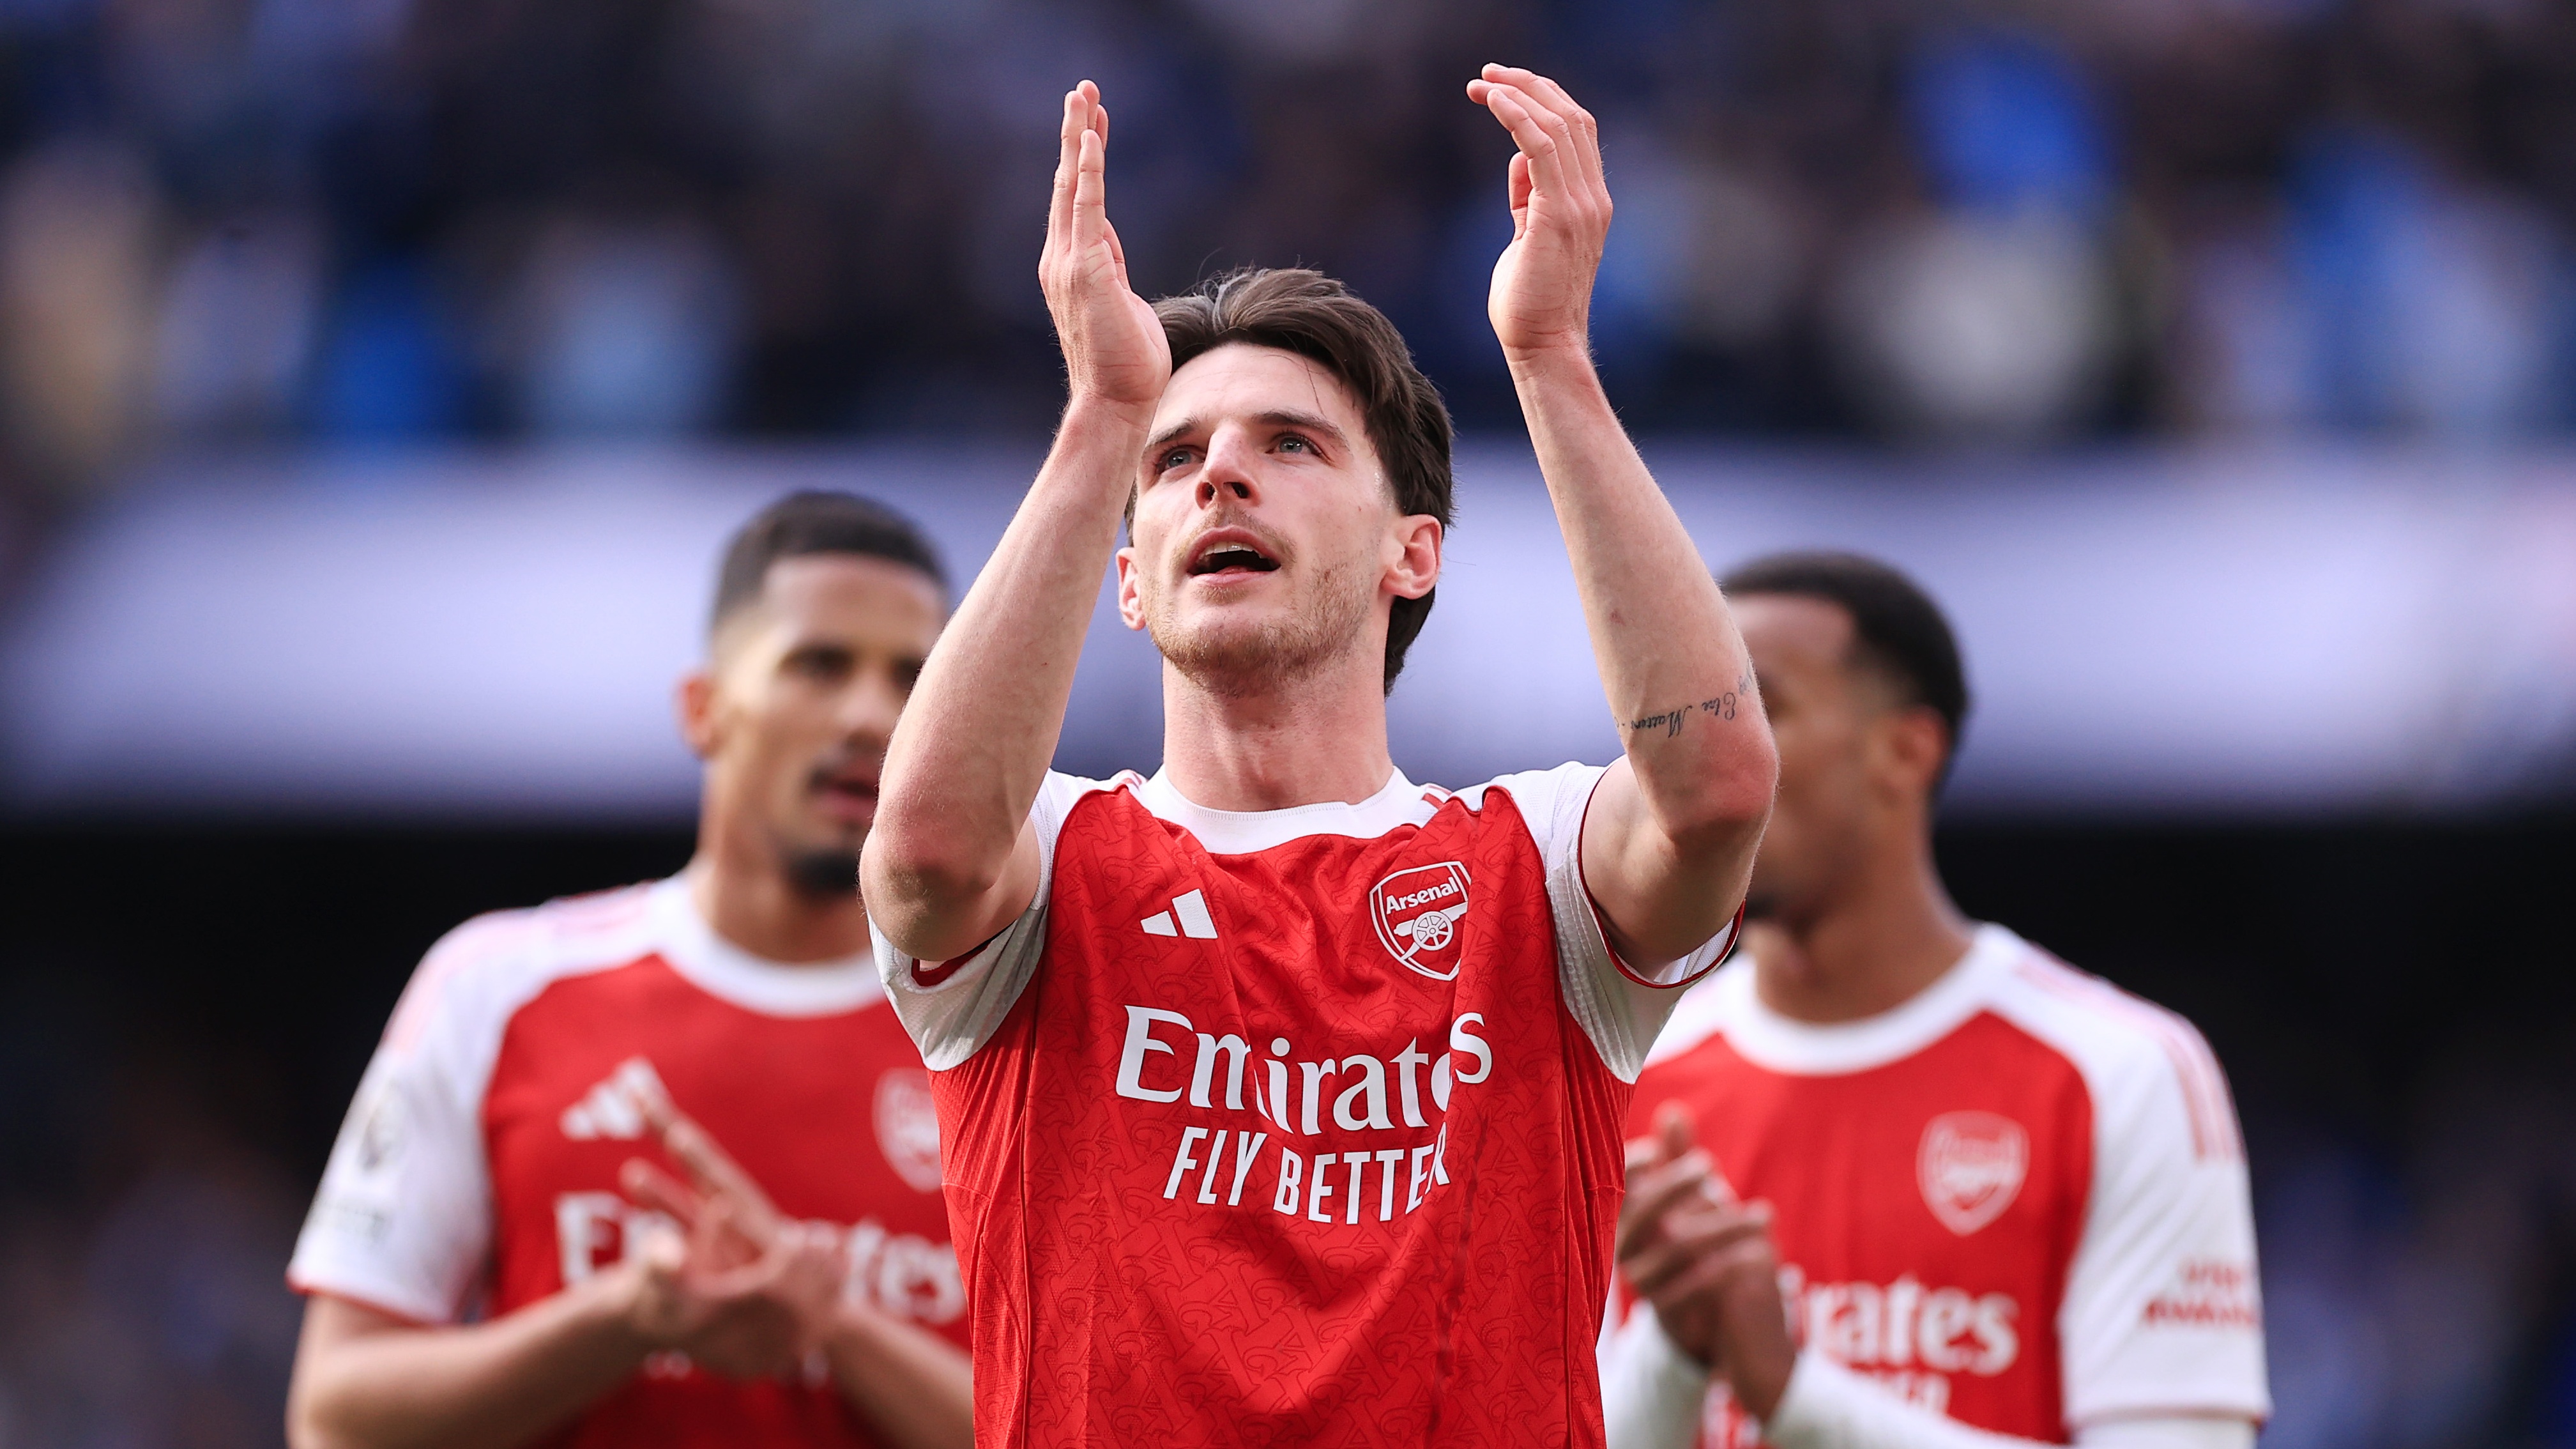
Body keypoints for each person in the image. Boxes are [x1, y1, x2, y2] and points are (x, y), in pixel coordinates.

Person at [858, 66, 1778, 1446]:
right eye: (1175, 464)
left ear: (1415, 553)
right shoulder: (1047, 864)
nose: (1219, 474)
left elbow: (1712, 793)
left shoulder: (1532, 868)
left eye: (1290, 444)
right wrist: (1104, 413)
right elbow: (922, 855)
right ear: (1129, 583)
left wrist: (1552, 362)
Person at [284, 491, 975, 1449]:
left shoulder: (1012, 1028)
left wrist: (836, 1327)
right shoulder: (498, 985)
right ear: (702, 709)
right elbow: (337, 1418)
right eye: (818, 665)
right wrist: (625, 1320)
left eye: (911, 679)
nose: (870, 714)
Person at [1600, 553, 2269, 1449]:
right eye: (1680, 716)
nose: (1701, 754)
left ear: (1904, 751)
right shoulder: (1625, 1073)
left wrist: (1794, 1397)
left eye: (1755, 708)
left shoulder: (2118, 1072)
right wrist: (1676, 1353)